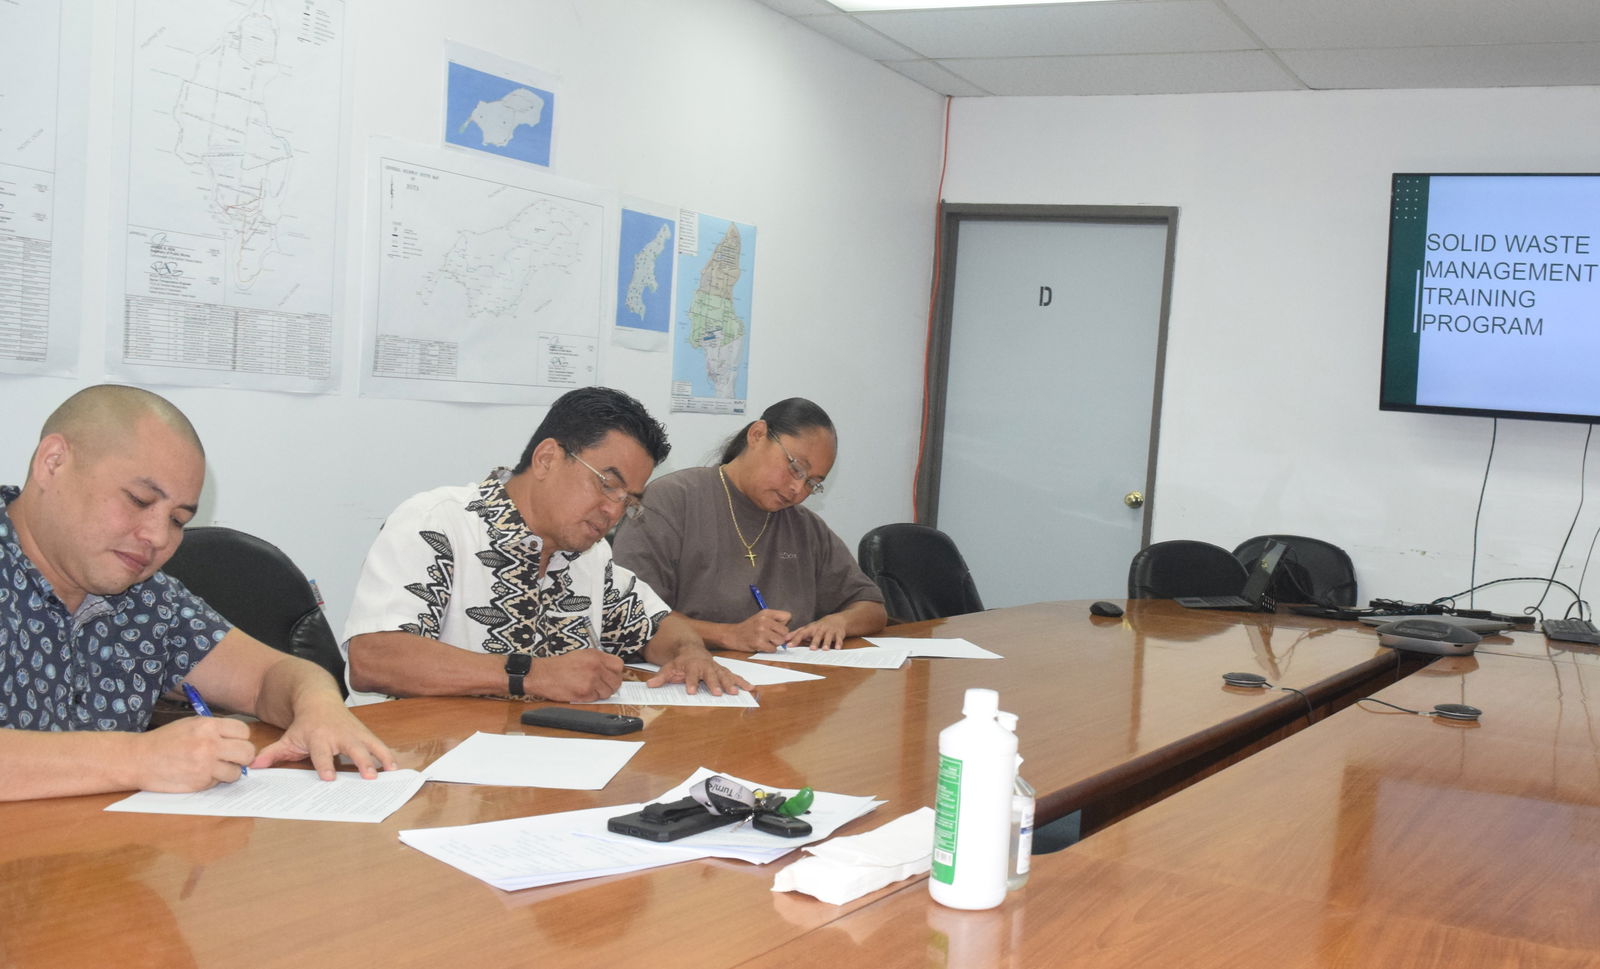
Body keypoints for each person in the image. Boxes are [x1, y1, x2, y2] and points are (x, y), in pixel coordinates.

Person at [0, 385, 396, 802]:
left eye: (177, 519)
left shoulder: (146, 598)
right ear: (53, 463)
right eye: (139, 500)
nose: (155, 536)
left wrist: (320, 708)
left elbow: (270, 677)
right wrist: (139, 758)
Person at [343, 386, 746, 705]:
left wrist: (691, 653)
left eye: (630, 501)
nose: (613, 511)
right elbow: (374, 658)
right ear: (547, 458)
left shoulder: (589, 553)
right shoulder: (436, 523)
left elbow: (656, 625)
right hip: (420, 773)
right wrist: (532, 674)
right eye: (608, 485)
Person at [613, 397, 887, 652]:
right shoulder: (670, 500)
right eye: (796, 468)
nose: (797, 489)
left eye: (812, 483)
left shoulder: (805, 527)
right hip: (689, 679)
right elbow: (630, 610)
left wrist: (838, 622)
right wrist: (728, 634)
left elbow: (872, 607)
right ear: (757, 435)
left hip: (785, 683)